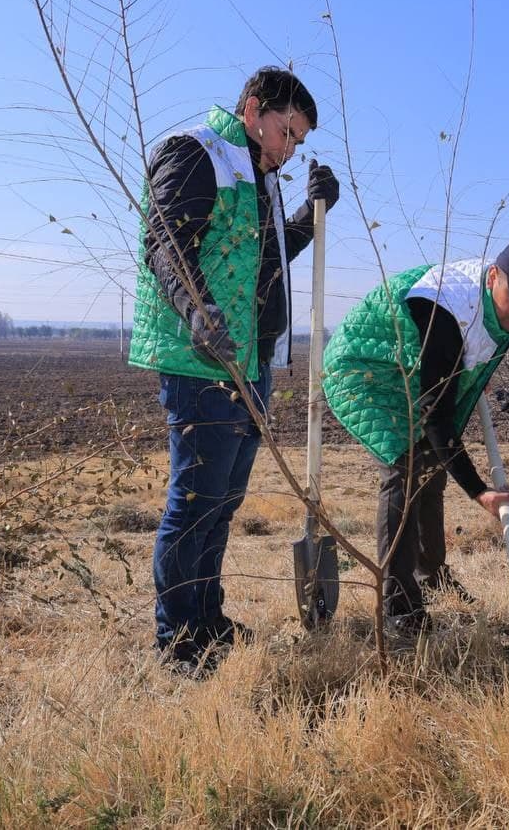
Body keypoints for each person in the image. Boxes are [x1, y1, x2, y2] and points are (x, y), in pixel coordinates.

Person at [131, 66, 340, 668]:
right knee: (195, 500)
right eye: (286, 131)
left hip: (249, 362)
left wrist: (312, 210)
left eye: (299, 141)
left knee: (222, 501)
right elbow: (165, 241)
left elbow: (273, 254)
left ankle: (207, 620)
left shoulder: (258, 175)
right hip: (199, 362)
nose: (289, 148)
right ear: (252, 109)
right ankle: (176, 644)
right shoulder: (199, 152)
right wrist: (198, 311)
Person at [322, 239, 509, 638]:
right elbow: (437, 415)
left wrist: (472, 377)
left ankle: (433, 577)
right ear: (492, 277)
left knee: (431, 467)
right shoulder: (446, 308)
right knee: (407, 468)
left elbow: (459, 364)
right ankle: (400, 607)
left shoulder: (507, 306)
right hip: (364, 369)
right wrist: (480, 491)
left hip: (409, 367)